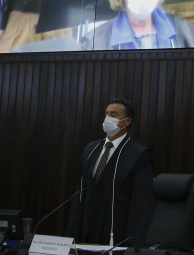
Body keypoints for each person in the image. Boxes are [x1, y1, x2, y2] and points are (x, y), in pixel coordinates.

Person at [66, 98, 155, 246]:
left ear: (127, 121)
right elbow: (80, 192)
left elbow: (142, 205)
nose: (108, 119)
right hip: (87, 230)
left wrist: (134, 244)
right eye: (106, 114)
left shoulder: (139, 155)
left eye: (114, 115)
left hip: (117, 231)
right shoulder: (91, 149)